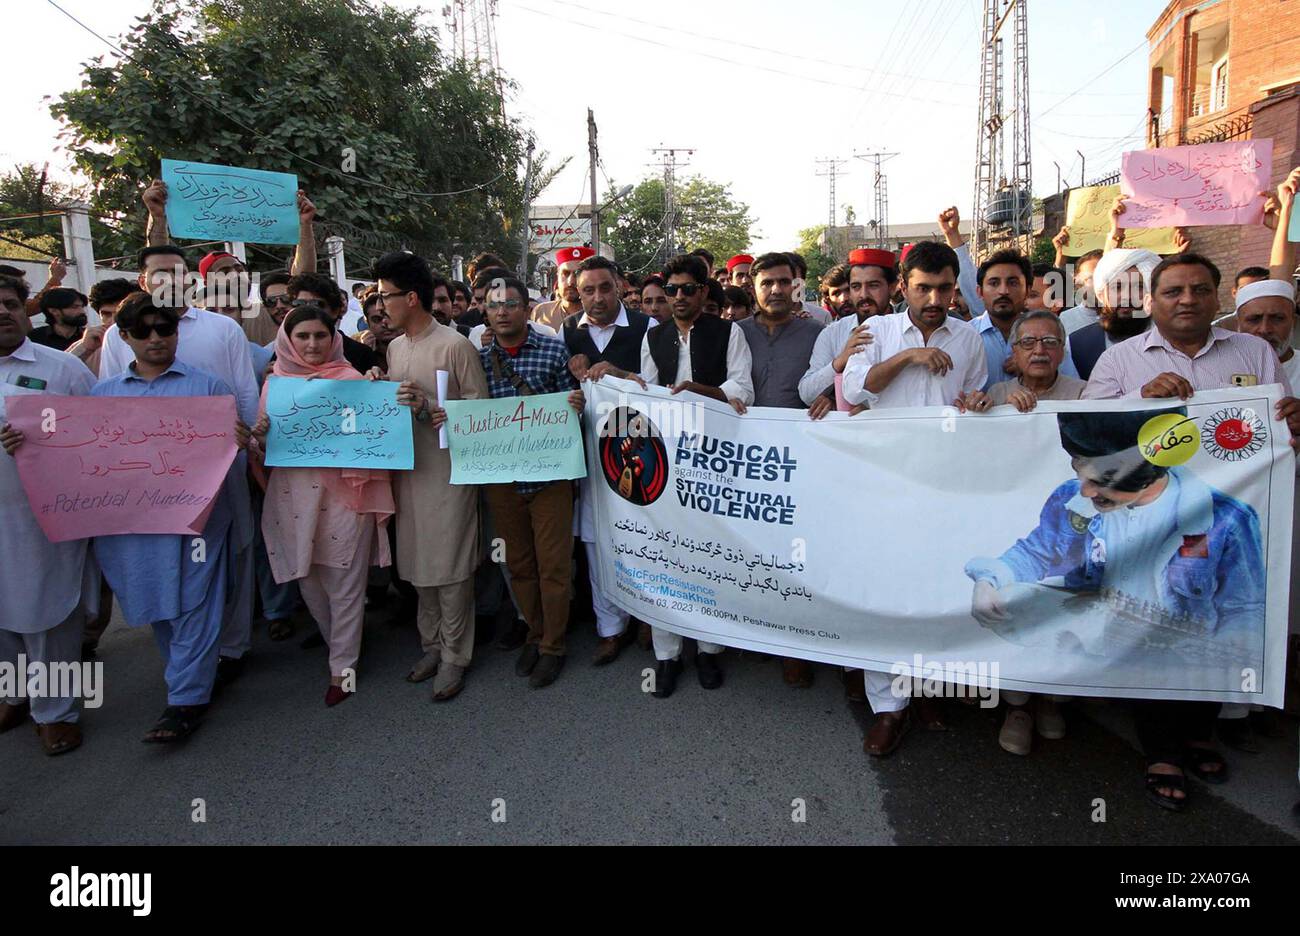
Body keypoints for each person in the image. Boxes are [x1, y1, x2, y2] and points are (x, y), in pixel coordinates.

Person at [1082, 252, 1299, 810]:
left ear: (1217, 297)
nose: (1186, 299)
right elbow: (1087, 429)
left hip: (1229, 516)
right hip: (1149, 519)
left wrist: (1290, 420)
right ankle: (1159, 747)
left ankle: (1200, 730)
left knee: (1217, 616)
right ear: (1152, 302)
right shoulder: (1123, 360)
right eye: (1172, 291)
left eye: (1198, 289)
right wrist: (1137, 403)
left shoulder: (1254, 352)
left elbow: (1275, 422)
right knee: (1151, 619)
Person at [966, 408, 1266, 786]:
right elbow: (1037, 553)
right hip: (1107, 630)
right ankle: (1163, 756)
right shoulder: (1070, 499)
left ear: (1149, 475)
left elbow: (1243, 606)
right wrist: (990, 579)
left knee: (1193, 683)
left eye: (1102, 482)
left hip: (1187, 644)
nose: (1087, 492)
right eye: (1082, 475)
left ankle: (1198, 736)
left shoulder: (1227, 517)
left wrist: (1238, 669)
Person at [842, 240, 987, 755]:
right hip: (882, 485)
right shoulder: (874, 332)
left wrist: (976, 403)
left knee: (937, 588)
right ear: (903, 286)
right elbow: (857, 392)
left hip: (944, 488)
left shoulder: (969, 338)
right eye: (923, 288)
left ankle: (927, 688)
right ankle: (888, 707)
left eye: (944, 288)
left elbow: (972, 398)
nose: (934, 298)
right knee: (883, 595)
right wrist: (908, 355)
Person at [588, 253, 754, 697]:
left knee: (708, 553)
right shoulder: (653, 334)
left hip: (712, 457)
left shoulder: (728, 332)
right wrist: (617, 379)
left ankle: (709, 651)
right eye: (672, 290)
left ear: (703, 292)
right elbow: (645, 389)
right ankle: (666, 655)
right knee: (663, 553)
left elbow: (743, 389)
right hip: (663, 456)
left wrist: (704, 392)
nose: (678, 297)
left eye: (687, 289)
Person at [87, 293, 250, 740]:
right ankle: (187, 675)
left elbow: (230, 459)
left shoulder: (210, 390)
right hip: (137, 527)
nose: (156, 338)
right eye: (143, 331)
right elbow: (84, 463)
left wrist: (236, 442)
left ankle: (184, 702)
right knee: (158, 604)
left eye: (165, 329)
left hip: (199, 523)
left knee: (197, 602)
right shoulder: (103, 397)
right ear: (124, 338)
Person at [253, 303, 394, 706]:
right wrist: (259, 436)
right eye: (303, 336)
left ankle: (342, 667)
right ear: (288, 340)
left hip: (347, 494)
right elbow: (262, 450)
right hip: (292, 497)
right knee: (309, 579)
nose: (313, 344)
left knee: (345, 581)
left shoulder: (351, 380)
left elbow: (375, 435)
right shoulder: (275, 384)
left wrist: (376, 393)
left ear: (334, 338)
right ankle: (339, 644)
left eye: (321, 335)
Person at [369, 251, 490, 701]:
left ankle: (457, 656)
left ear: (412, 297)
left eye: (387, 296)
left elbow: (481, 413)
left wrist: (435, 410)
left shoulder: (455, 345)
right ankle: (432, 646)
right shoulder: (396, 347)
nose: (381, 306)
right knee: (418, 565)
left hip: (449, 474)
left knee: (452, 566)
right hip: (409, 473)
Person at [0, 274, 97, 756]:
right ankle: (14, 694)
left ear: (26, 309)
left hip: (45, 518)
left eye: (9, 303)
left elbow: (104, 433)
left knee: (48, 613)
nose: (1, 312)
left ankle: (55, 713)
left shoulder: (62, 369)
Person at [476, 277, 584, 688]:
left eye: (510, 304)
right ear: (485, 311)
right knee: (519, 563)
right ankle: (535, 633)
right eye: (493, 305)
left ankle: (553, 646)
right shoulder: (479, 360)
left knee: (554, 564)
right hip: (502, 476)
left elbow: (572, 406)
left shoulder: (555, 350)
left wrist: (574, 404)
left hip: (550, 475)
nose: (502, 311)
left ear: (527, 309)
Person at [738, 253, 824, 688]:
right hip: (745, 459)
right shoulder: (736, 334)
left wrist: (830, 397)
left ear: (796, 286)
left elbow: (834, 382)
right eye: (766, 282)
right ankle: (753, 633)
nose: (775, 289)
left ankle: (796, 646)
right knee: (751, 549)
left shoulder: (817, 331)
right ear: (753, 288)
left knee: (796, 554)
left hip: (801, 460)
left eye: (783, 282)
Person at [565, 256, 653, 664]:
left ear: (619, 286)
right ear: (576, 293)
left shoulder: (647, 328)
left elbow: (659, 387)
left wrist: (618, 373)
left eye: (604, 288)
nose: (597, 298)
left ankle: (651, 618)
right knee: (596, 538)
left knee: (645, 535)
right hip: (588, 453)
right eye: (588, 290)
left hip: (640, 450)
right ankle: (610, 628)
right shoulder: (567, 331)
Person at [800, 247, 892, 419]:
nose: (864, 295)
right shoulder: (832, 333)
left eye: (873, 285)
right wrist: (841, 361)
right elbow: (807, 393)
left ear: (893, 287)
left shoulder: (912, 330)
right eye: (856, 287)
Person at [970, 249, 1080, 392]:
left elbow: (1070, 390)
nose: (1003, 291)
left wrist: (1039, 369)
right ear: (980, 292)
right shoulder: (965, 336)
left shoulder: (1050, 337)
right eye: (994, 283)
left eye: (1013, 283)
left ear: (1027, 290)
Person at [962, 310, 1087, 413]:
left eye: (1050, 342)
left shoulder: (1081, 393)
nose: (1039, 351)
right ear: (1015, 352)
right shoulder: (998, 393)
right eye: (1028, 342)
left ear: (1062, 352)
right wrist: (1005, 411)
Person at [1068, 249, 1161, 381]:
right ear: (1101, 293)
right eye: (1117, 287)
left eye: (1138, 287)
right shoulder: (1076, 344)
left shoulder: (1173, 339)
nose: (1127, 296)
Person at [286, 272, 382, 374]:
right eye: (299, 305)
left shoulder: (360, 355)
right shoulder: (282, 355)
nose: (307, 311)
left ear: (335, 311)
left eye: (317, 304)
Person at [67, 278, 136, 377]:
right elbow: (55, 374)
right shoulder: (88, 343)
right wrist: (84, 348)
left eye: (120, 313)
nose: (113, 321)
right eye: (106, 314)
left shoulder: (150, 340)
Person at [533, 247, 592, 331]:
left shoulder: (599, 314)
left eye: (577, 274)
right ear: (558, 276)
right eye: (565, 273)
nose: (570, 282)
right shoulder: (542, 312)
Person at [1058, 250, 1107, 334]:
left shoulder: (1129, 318)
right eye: (1091, 278)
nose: (1099, 284)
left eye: (1105, 277)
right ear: (1077, 283)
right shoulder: (1063, 321)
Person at [28, 287, 88, 352]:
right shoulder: (34, 338)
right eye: (74, 307)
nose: (82, 311)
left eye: (82, 306)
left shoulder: (89, 337)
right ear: (54, 311)